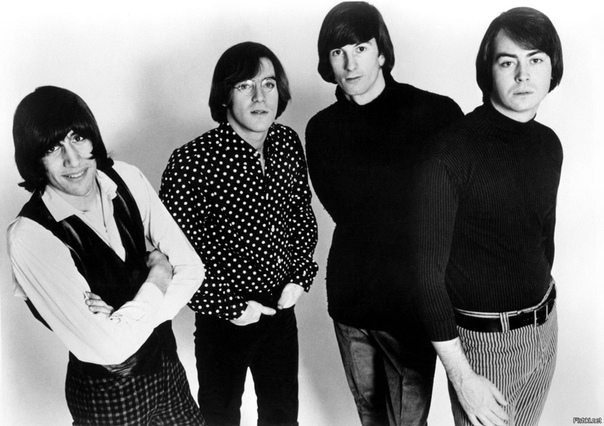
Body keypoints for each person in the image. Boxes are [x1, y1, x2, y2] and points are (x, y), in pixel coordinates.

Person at [7, 86, 206, 425]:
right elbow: (108, 349)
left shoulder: (126, 177)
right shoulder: (31, 235)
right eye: (53, 148)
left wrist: (122, 321)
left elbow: (192, 269)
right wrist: (158, 276)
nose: (73, 159)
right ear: (34, 158)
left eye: (78, 138)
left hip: (167, 366)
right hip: (108, 396)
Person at [305, 2, 463, 425]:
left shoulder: (435, 113)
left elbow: (459, 208)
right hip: (350, 303)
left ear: (381, 52)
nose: (350, 63)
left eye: (360, 48)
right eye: (338, 52)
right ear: (327, 61)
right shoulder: (321, 129)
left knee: (407, 422)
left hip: (411, 308)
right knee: (370, 416)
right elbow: (340, 209)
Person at [411, 7, 563, 426]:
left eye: (535, 60)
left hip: (545, 326)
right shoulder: (450, 153)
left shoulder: (549, 144)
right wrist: (463, 377)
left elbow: (542, 240)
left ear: (552, 68)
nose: (523, 75)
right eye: (507, 62)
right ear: (488, 70)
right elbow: (425, 277)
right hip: (487, 347)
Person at [159, 41, 318, 426]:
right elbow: (174, 256)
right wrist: (233, 308)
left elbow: (301, 214)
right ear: (225, 95)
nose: (260, 96)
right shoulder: (191, 162)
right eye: (245, 86)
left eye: (268, 84)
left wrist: (299, 278)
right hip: (222, 319)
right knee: (220, 417)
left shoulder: (286, 143)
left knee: (283, 418)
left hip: (280, 309)